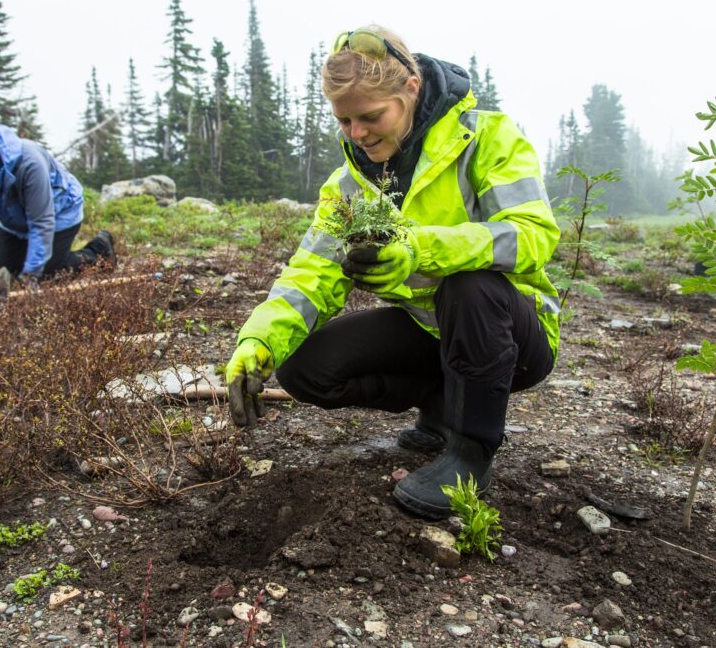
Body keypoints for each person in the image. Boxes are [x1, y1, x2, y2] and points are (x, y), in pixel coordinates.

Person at [224, 26, 560, 520]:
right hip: (434, 331)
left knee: (469, 283)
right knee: (302, 368)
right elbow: (311, 271)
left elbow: (532, 235)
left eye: (370, 116)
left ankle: (471, 451)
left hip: (513, 334)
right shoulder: (349, 185)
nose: (357, 133)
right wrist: (258, 341)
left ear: (411, 88)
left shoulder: (487, 138)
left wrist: (420, 249)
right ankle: (443, 407)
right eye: (344, 121)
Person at [0, 124, 116, 295]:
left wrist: (31, 276)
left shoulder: (30, 163)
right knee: (0, 270)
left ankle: (99, 252)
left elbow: (42, 222)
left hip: (60, 212)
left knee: (47, 272)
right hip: (15, 220)